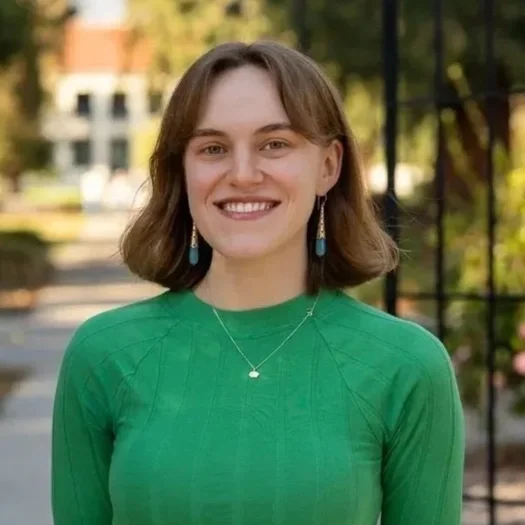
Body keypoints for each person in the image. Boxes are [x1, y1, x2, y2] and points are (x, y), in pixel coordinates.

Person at [51, 41, 465, 525]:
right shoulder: (102, 355)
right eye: (213, 149)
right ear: (182, 173)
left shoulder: (408, 367)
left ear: (328, 166)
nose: (243, 174)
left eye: (275, 144)